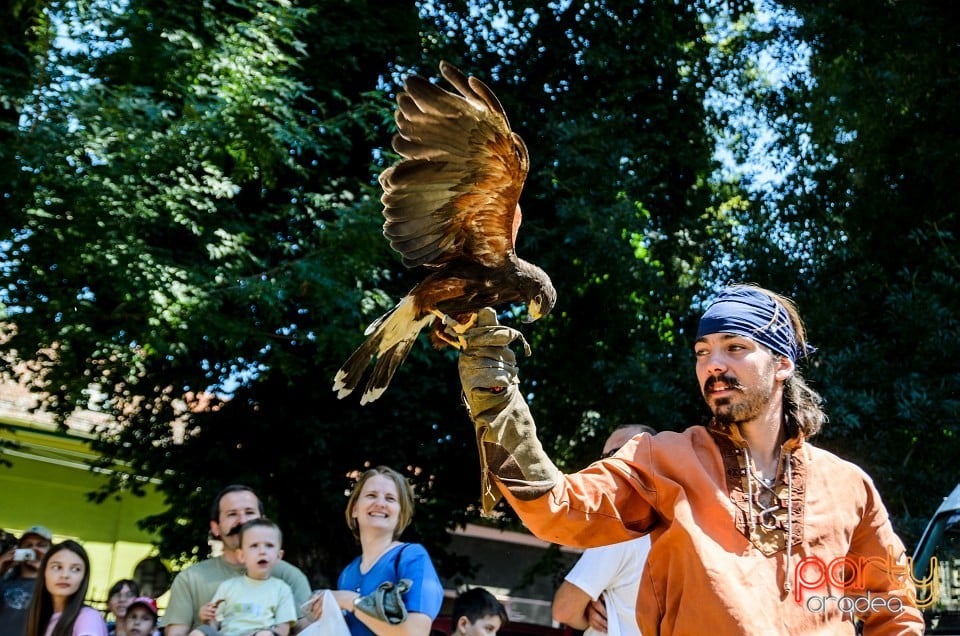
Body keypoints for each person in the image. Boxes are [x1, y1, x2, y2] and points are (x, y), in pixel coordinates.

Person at [452, 285, 924, 634]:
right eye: (703, 352)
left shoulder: (849, 486)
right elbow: (561, 509)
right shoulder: (663, 459)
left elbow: (892, 605)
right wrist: (498, 403)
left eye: (735, 348)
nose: (713, 364)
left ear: (783, 364)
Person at [161, 485, 312, 636]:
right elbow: (176, 633)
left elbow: (308, 631)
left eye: (250, 512)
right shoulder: (190, 579)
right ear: (216, 528)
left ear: (263, 521)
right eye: (232, 514)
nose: (242, 521)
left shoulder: (289, 577)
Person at [313, 465, 443, 636]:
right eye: (371, 495)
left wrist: (350, 601)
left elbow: (416, 632)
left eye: (390, 498)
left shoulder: (412, 557)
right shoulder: (347, 574)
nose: (380, 503)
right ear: (354, 509)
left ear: (400, 513)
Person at [552, 425, 655, 636]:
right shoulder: (679, 528)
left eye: (614, 454)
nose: (604, 465)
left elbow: (563, 609)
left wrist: (585, 612)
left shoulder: (625, 530)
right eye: (602, 457)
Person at [189, 518, 297, 636]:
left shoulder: (282, 589)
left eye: (269, 545)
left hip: (257, 633)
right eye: (254, 545)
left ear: (278, 556)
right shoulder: (228, 586)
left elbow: (283, 630)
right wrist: (207, 617)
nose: (262, 551)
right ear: (241, 555)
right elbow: (214, 624)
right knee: (198, 633)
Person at [23, 539, 107, 636]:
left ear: (84, 577)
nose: (65, 575)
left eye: (75, 569)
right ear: (44, 572)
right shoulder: (42, 618)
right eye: (57, 567)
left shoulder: (88, 617)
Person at [0, 525, 54, 636]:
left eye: (41, 545)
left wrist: (46, 570)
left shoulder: (54, 586)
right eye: (28, 545)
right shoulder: (5, 582)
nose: (34, 549)